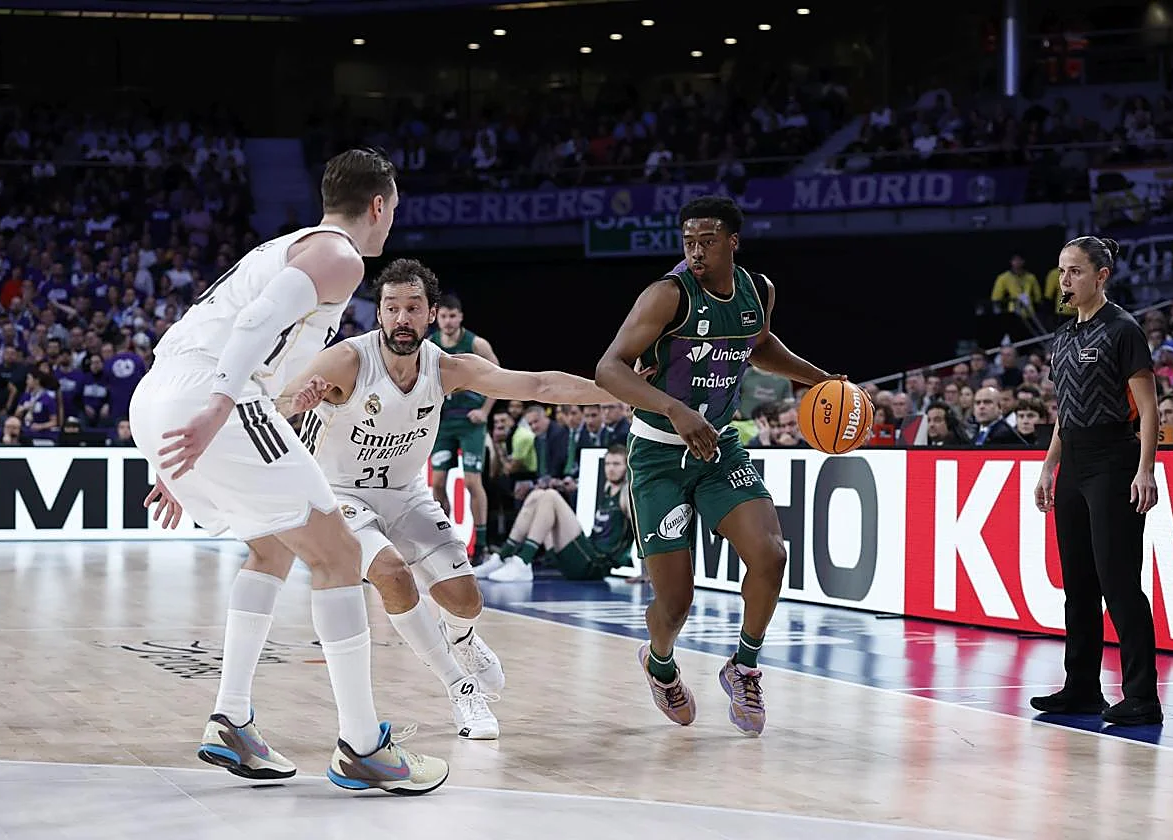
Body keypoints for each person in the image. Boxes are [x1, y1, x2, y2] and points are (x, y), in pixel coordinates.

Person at [128, 149, 450, 793]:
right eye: (394, 210)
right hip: (208, 394)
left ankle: (233, 721)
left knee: (272, 547)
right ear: (380, 205)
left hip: (162, 393)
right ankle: (363, 746)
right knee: (336, 552)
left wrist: (183, 456)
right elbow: (251, 325)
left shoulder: (289, 246)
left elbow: (229, 332)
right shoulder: (340, 255)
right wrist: (218, 408)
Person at [281, 257, 616, 740]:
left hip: (405, 494)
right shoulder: (348, 360)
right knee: (392, 575)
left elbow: (538, 384)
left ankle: (463, 638)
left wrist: (622, 393)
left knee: (465, 599)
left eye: (412, 308)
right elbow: (281, 398)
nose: (401, 318)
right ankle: (461, 689)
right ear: (378, 314)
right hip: (342, 496)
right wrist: (300, 398)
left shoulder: (448, 368)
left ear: (431, 315)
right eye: (391, 307)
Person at [594, 195, 845, 736]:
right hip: (659, 453)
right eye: (688, 240)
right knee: (676, 601)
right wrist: (675, 410)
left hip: (718, 448)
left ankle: (744, 666)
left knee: (771, 555)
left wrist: (819, 378)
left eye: (707, 240)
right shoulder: (666, 295)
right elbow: (608, 369)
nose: (696, 250)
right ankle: (659, 663)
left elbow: (757, 346)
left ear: (733, 241)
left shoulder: (759, 290)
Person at [1032, 235, 1162, 726]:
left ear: (1101, 276)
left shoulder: (1123, 329)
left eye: (1075, 272)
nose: (1065, 281)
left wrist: (1145, 468)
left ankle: (1141, 697)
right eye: (1062, 271)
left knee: (1119, 582)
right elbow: (1065, 412)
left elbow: (1148, 409)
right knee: (1078, 585)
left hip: (1115, 459)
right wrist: (1049, 466)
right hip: (1075, 463)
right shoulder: (1062, 337)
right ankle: (1082, 687)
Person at [478, 442, 634, 582]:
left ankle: (524, 560)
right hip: (582, 556)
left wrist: (647, 573)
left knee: (551, 496)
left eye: (616, 464)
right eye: (607, 464)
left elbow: (642, 532)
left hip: (596, 564)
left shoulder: (627, 494)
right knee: (537, 495)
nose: (611, 468)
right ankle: (502, 557)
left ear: (627, 466)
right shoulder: (608, 489)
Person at [429, 292, 496, 563]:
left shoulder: (477, 344)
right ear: (436, 317)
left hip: (470, 422)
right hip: (443, 423)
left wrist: (484, 411)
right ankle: (445, 542)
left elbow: (499, 377)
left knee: (471, 481)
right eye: (443, 316)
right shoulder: (430, 344)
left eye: (452, 315)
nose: (447, 321)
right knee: (437, 483)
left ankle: (481, 546)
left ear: (461, 317)